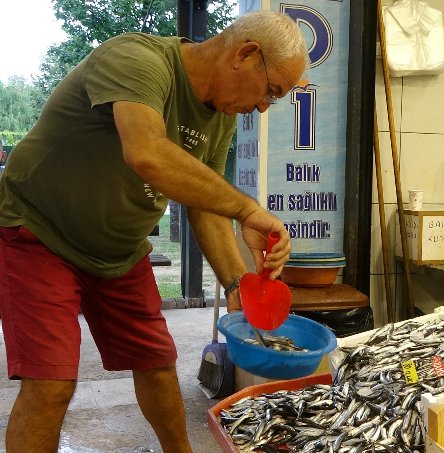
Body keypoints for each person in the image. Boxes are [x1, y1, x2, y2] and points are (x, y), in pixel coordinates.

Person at [0, 10, 308, 453]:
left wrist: (238, 282)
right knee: (51, 383)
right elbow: (146, 152)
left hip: (119, 251)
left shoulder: (218, 115)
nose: (264, 107)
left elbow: (206, 206)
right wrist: (247, 209)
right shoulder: (136, 58)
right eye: (271, 91)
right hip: (39, 233)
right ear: (246, 54)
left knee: (158, 363)